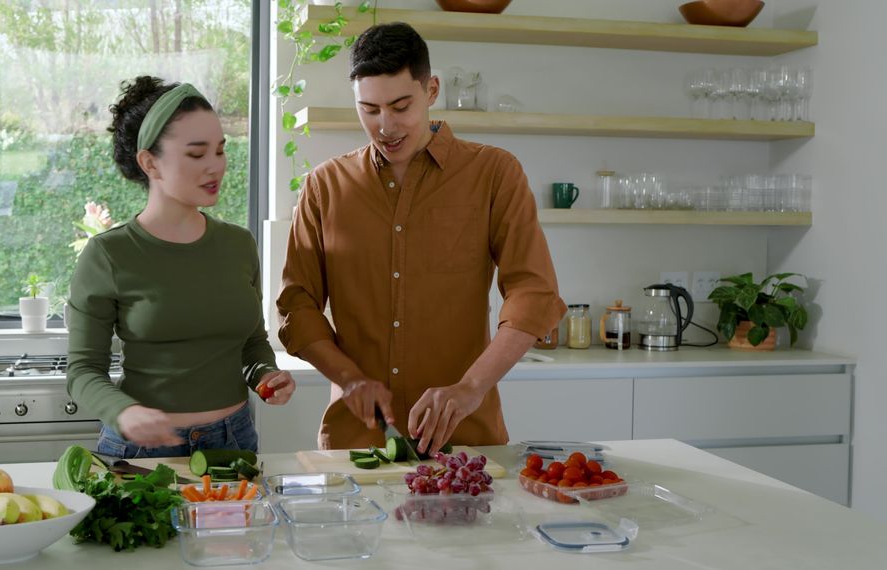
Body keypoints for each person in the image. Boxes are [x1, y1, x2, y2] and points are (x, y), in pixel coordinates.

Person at [276, 23, 565, 455]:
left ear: (431, 90)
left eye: (400, 105)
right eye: (369, 109)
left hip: (466, 438)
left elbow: (534, 292)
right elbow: (297, 305)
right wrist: (349, 379)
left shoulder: (494, 173)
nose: (386, 126)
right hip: (357, 444)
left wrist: (471, 387)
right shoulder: (325, 186)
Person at [67, 77, 294, 459]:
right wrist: (123, 411)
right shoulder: (109, 254)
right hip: (141, 451)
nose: (215, 166)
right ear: (150, 162)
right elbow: (83, 371)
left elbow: (252, 344)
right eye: (196, 154)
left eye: (220, 151)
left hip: (234, 443)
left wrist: (265, 376)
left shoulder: (239, 245)